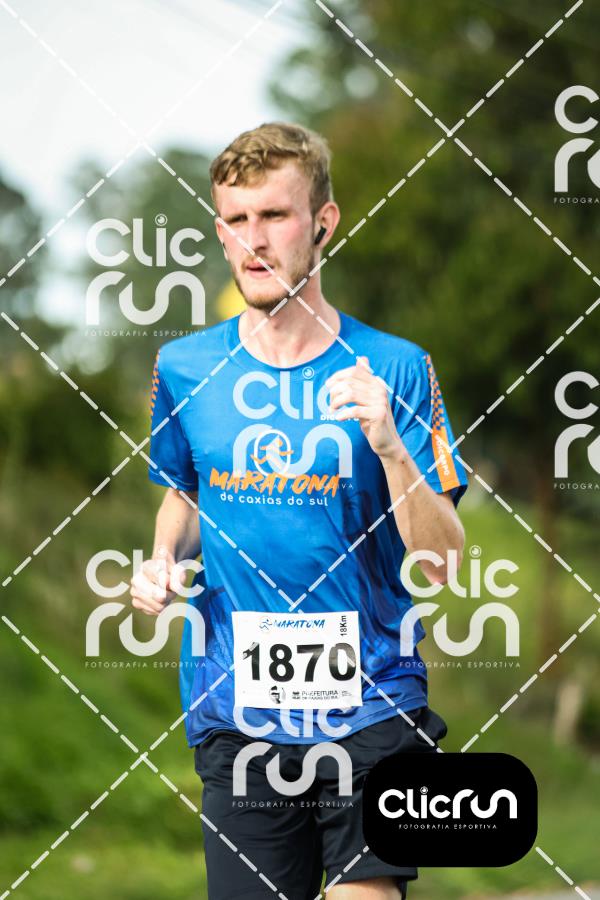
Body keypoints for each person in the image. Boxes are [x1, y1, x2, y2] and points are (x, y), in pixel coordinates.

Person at [130, 122, 468, 900]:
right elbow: (185, 493)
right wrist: (162, 561)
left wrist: (391, 449)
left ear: (323, 222)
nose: (254, 241)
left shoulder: (397, 368)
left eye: (275, 216)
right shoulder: (184, 367)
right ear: (221, 230)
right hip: (236, 710)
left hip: (373, 707)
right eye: (237, 220)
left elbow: (442, 563)